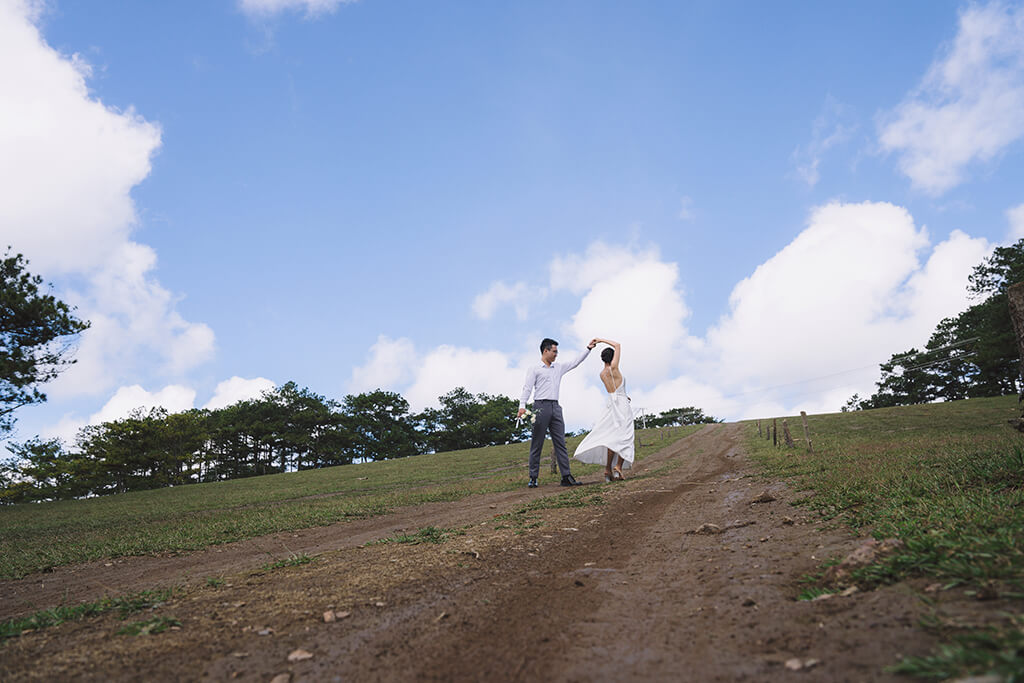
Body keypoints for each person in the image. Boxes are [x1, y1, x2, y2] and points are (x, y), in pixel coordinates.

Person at [519, 337, 597, 488]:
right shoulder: (534, 369)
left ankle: (566, 476)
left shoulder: (558, 368)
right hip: (540, 407)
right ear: (545, 351)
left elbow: (575, 362)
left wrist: (588, 348)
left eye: (557, 352)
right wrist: (522, 406)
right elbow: (527, 388)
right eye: (554, 351)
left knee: (560, 443)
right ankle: (533, 477)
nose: (556, 354)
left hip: (556, 407)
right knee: (537, 443)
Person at [573, 338, 634, 482]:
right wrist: (600, 339)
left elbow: (613, 391)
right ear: (613, 357)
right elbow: (618, 344)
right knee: (625, 436)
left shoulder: (602, 374)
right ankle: (618, 466)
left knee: (612, 436)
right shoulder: (614, 369)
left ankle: (608, 469)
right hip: (622, 405)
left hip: (611, 405)